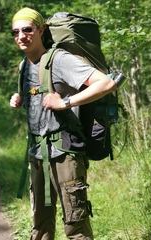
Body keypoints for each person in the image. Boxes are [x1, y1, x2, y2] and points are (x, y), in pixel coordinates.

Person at [10, 7, 117, 240]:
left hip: (65, 152)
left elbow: (106, 83)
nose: (21, 36)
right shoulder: (24, 65)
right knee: (40, 227)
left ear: (40, 30)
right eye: (15, 32)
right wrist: (19, 97)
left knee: (75, 227)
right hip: (37, 154)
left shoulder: (60, 59)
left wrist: (67, 102)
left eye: (27, 29)